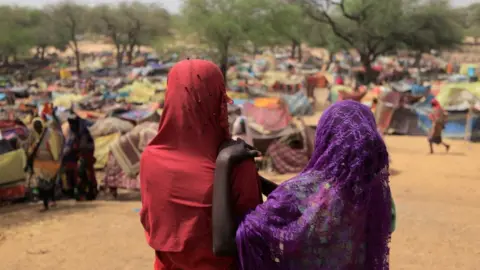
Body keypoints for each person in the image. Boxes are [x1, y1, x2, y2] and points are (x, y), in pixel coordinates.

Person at [213, 100, 395, 269]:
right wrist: (259, 181)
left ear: (325, 137)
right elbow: (312, 205)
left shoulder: (305, 190)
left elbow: (226, 243)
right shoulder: (376, 197)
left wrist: (224, 161)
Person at [139, 59, 263, 270]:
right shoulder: (236, 163)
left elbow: (152, 223)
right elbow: (251, 235)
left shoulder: (150, 158)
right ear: (219, 99)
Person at [26, 109, 64, 211]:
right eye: (36, 126)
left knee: (50, 183)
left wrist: (57, 160)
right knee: (41, 184)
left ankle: (51, 200)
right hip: (39, 164)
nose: (37, 127)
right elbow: (28, 147)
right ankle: (45, 204)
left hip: (50, 162)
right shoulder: (33, 135)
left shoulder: (50, 134)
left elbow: (56, 147)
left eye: (39, 125)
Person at [62, 115, 97, 200]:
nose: (71, 126)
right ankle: (81, 193)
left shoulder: (84, 134)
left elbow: (85, 146)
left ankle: (89, 193)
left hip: (85, 158)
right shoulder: (74, 134)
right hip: (78, 158)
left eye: (72, 124)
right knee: (79, 175)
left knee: (85, 175)